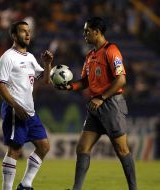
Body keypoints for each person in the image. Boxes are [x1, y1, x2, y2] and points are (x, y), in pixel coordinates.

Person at [59, 17, 137, 190]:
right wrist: (70, 86)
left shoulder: (112, 50)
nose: (84, 34)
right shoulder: (90, 56)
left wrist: (101, 97)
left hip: (111, 105)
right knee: (82, 148)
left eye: (87, 31)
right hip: (95, 107)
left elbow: (121, 79)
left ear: (97, 31)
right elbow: (85, 82)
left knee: (122, 150)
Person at [0, 21, 53, 190]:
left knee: (44, 146)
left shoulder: (30, 57)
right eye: (23, 31)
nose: (28, 34)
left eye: (29, 31)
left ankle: (25, 184)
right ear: (14, 35)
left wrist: (48, 64)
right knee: (15, 150)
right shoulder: (8, 57)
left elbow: (46, 80)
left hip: (30, 111)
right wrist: (15, 106)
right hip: (14, 110)